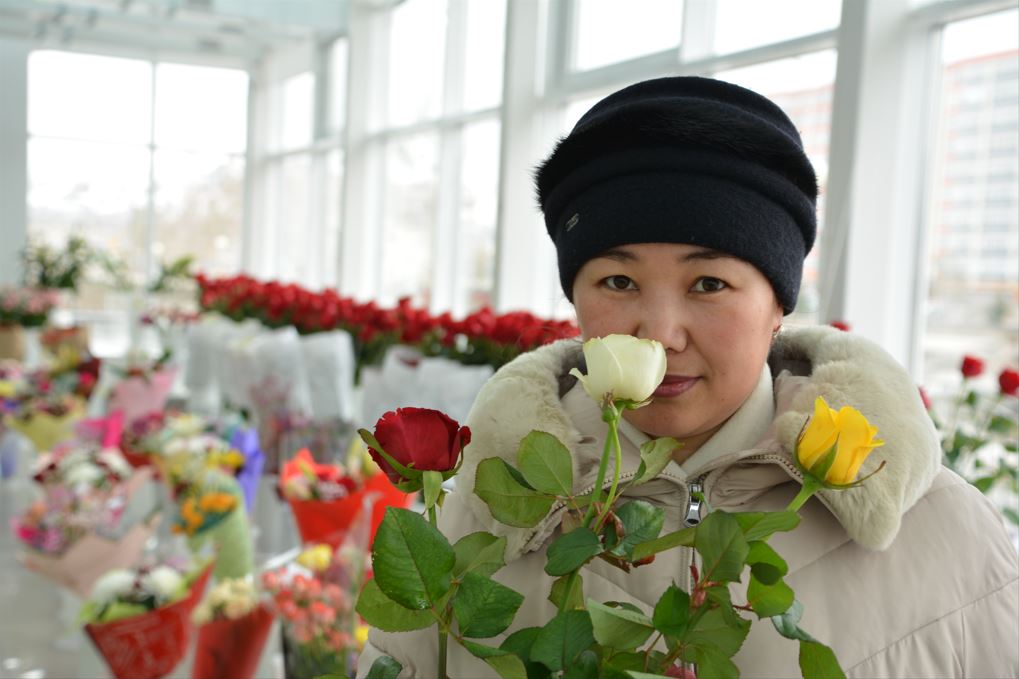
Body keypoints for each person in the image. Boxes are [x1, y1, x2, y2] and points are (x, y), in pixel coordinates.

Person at [358, 77, 1019, 678]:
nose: (660, 332)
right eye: (617, 281)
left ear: (777, 307)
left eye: (709, 283)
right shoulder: (479, 510)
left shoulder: (943, 533)